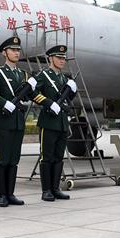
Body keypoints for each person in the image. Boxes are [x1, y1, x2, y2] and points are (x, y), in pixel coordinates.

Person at [0, 35, 33, 207]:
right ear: (4, 53)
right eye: (13, 50)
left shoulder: (23, 74)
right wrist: (4, 103)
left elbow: (30, 95)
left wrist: (34, 85)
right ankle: (1, 195)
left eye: (18, 50)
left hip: (18, 120)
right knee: (2, 159)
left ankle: (10, 193)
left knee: (13, 159)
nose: (16, 53)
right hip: (4, 121)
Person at [32, 45, 75, 202]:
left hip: (62, 122)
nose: (62, 60)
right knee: (47, 156)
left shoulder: (64, 79)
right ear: (50, 58)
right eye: (59, 57)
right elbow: (32, 92)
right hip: (48, 122)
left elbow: (68, 99)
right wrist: (48, 103)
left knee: (58, 156)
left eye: (63, 58)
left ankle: (56, 188)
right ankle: (46, 190)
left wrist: (73, 92)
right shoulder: (43, 75)